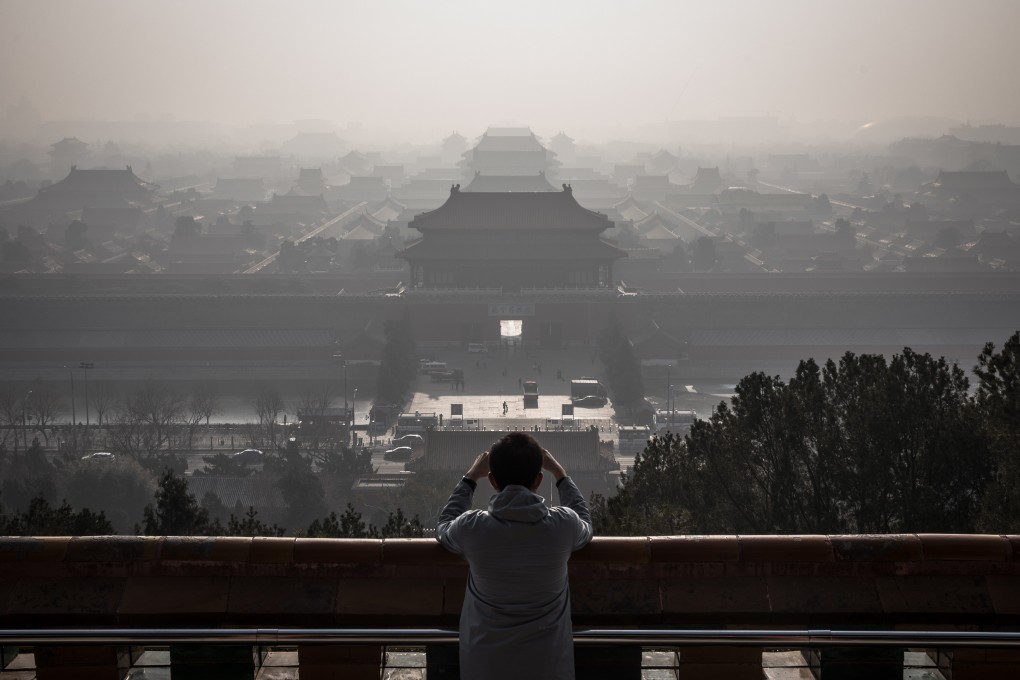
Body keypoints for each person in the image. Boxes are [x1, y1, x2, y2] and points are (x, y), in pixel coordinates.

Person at [436, 433, 593, 680]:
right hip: (550, 667)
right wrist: (560, 474)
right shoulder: (563, 525)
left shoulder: (473, 528)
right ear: (539, 480)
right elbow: (585, 521)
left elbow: (444, 526)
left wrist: (469, 479)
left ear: (492, 480)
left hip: (485, 667)